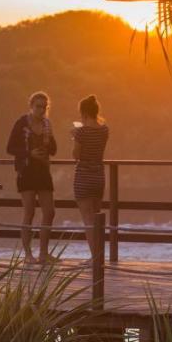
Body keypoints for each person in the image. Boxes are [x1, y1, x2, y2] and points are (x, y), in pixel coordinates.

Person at [6, 91, 56, 264]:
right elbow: (10, 148)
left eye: (44, 107)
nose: (41, 110)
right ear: (31, 106)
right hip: (26, 171)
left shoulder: (47, 124)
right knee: (29, 212)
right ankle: (28, 254)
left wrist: (48, 142)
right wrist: (29, 153)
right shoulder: (21, 123)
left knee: (49, 211)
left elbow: (54, 150)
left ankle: (44, 253)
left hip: (43, 170)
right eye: (38, 106)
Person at [71, 95, 109, 261]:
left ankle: (96, 258)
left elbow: (75, 155)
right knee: (97, 218)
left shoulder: (81, 132)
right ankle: (99, 255)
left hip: (83, 177)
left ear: (83, 113)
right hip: (99, 176)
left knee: (88, 220)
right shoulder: (104, 130)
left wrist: (74, 136)